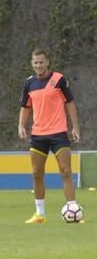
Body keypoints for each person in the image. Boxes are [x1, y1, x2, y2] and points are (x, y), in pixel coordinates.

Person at [18, 48, 80, 224]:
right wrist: (21, 125)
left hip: (59, 133)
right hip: (38, 135)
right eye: (35, 62)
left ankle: (73, 208)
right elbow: (25, 107)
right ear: (32, 64)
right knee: (37, 173)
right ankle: (39, 214)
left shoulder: (59, 80)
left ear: (47, 62)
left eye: (41, 62)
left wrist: (75, 127)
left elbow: (70, 103)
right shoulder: (28, 83)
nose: (38, 65)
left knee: (66, 171)